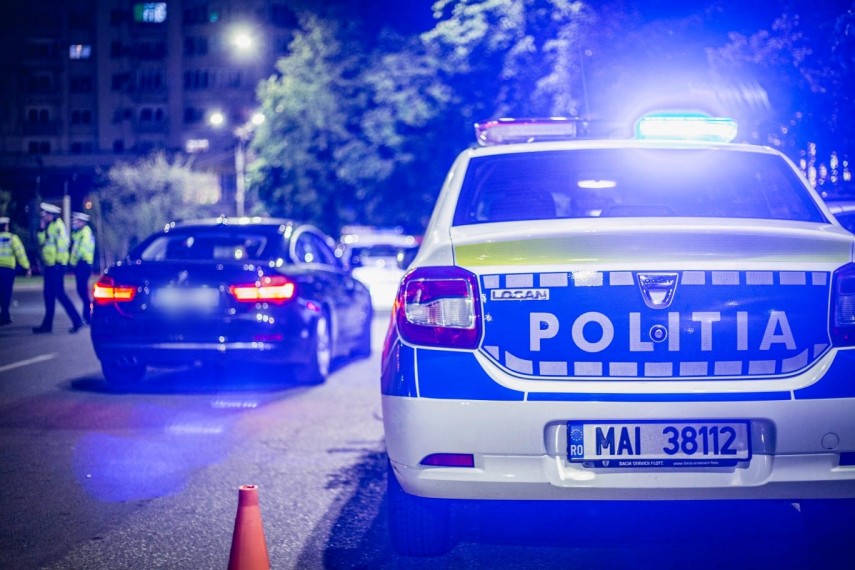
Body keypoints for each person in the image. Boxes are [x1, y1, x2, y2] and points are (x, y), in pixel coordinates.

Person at [33, 202, 84, 334]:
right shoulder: (49, 226)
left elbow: (62, 246)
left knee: (60, 294)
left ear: (51, 215)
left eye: (45, 214)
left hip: (56, 266)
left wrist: (58, 263)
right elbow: (42, 243)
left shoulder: (58, 226)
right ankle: (47, 325)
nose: (43, 217)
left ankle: (77, 320)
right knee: (48, 295)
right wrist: (41, 230)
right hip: (50, 266)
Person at [0, 216, 31, 325]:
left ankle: (4, 315)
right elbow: (20, 254)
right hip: (8, 269)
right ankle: (5, 315)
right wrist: (26, 267)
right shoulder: (12, 238)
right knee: (6, 292)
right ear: (6, 227)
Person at [70, 211, 95, 324]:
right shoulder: (81, 233)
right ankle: (87, 316)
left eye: (77, 221)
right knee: (82, 291)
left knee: (83, 291)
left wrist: (73, 261)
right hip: (82, 265)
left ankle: (88, 316)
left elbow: (81, 250)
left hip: (83, 264)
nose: (75, 223)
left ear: (82, 222)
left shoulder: (85, 233)